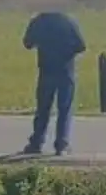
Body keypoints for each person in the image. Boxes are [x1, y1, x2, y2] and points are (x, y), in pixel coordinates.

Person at [22, 9, 87, 156]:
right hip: (66, 69)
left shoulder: (38, 21)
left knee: (43, 108)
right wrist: (67, 52)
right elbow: (81, 45)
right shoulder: (68, 21)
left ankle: (36, 142)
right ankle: (61, 144)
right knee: (64, 108)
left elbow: (27, 43)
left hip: (46, 69)